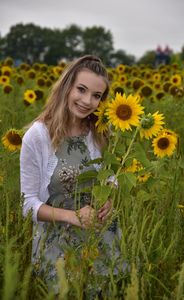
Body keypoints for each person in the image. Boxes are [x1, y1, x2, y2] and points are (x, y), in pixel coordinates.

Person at [20, 55, 122, 296]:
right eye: (81, 89)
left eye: (97, 96)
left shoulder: (100, 131)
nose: (87, 101)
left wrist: (109, 195)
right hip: (57, 247)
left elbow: (111, 174)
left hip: (101, 240)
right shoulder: (37, 136)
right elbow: (27, 205)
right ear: (67, 86)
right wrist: (72, 216)